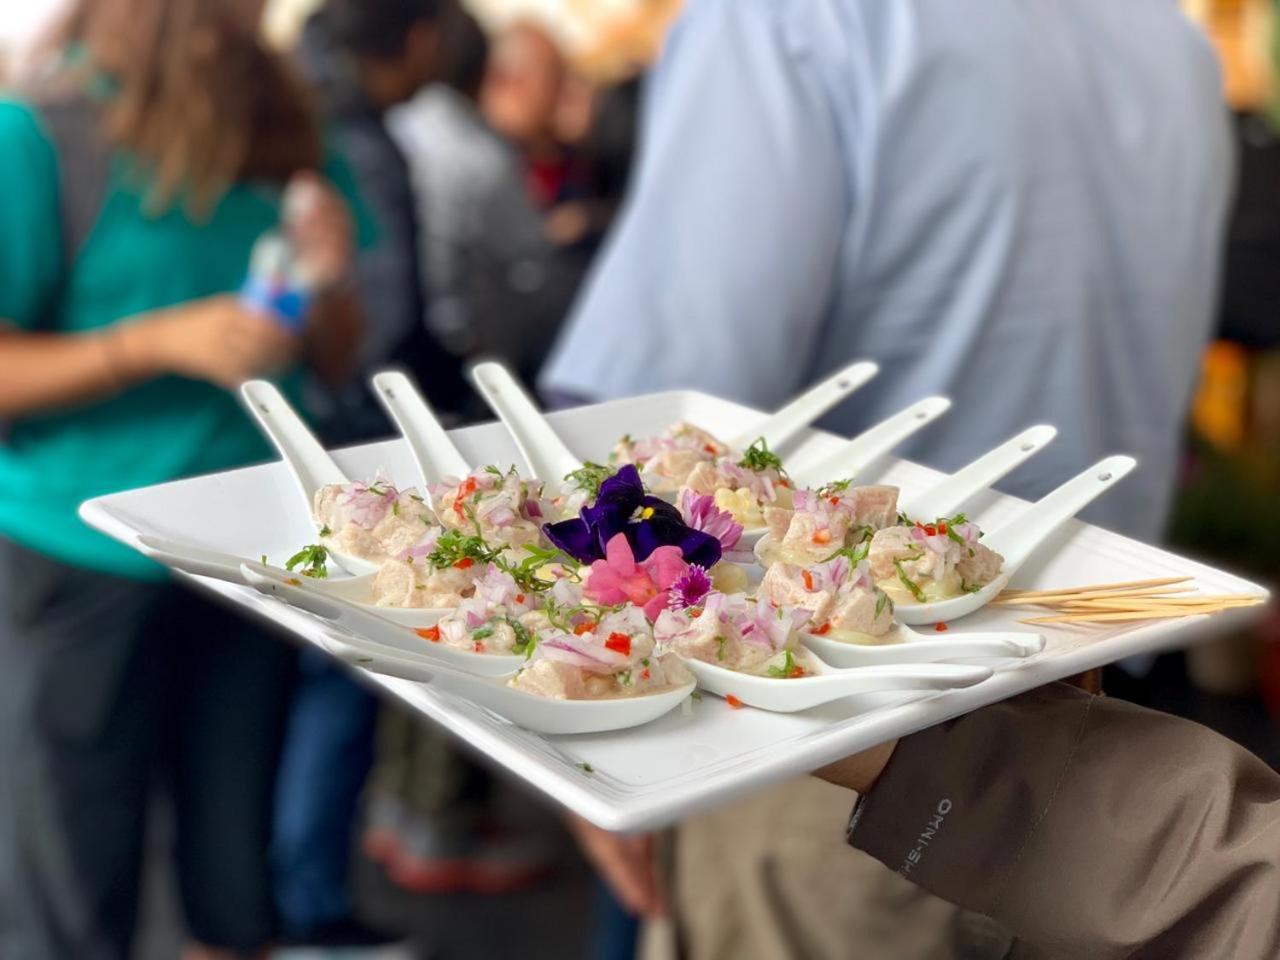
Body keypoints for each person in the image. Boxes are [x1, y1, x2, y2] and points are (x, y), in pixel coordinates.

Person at [542, 0, 1233, 957]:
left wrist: (594, 721)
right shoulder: (1172, 39)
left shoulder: (790, 18)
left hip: (833, 758)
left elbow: (653, 428)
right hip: (1108, 737)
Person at [0, 0, 367, 955]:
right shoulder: (36, 135)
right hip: (80, 553)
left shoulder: (284, 124)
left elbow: (336, 355)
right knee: (71, 892)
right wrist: (153, 344)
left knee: (235, 885)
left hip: (251, 553)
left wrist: (328, 279)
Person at [388, 8, 563, 384]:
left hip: (402, 352)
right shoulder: (482, 158)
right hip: (469, 366)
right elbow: (535, 273)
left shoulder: (395, 127)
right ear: (490, 74)